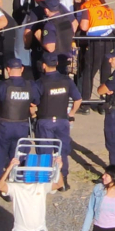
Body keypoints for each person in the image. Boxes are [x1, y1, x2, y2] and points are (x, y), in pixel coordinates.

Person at [0, 59, 39, 201]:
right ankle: (11, 190)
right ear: (22, 69)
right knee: (19, 158)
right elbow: (34, 104)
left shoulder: (0, 86)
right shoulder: (30, 86)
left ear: (8, 69)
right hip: (22, 126)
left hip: (4, 126)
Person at [35, 51, 81, 191]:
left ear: (43, 65)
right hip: (62, 120)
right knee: (62, 151)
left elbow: (33, 103)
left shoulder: (40, 82)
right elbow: (78, 99)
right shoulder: (66, 80)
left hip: (45, 121)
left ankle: (47, 181)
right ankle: (63, 181)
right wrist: (71, 113)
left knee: (45, 151)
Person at [75, 0, 115, 115]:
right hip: (109, 42)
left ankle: (85, 104)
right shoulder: (106, 7)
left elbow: (84, 26)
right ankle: (104, 103)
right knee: (106, 72)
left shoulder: (87, 6)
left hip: (95, 44)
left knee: (89, 73)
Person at [39, 0, 76, 75]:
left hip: (54, 62)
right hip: (66, 58)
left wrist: (39, 37)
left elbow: (50, 47)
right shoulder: (67, 21)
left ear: (46, 10)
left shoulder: (50, 25)